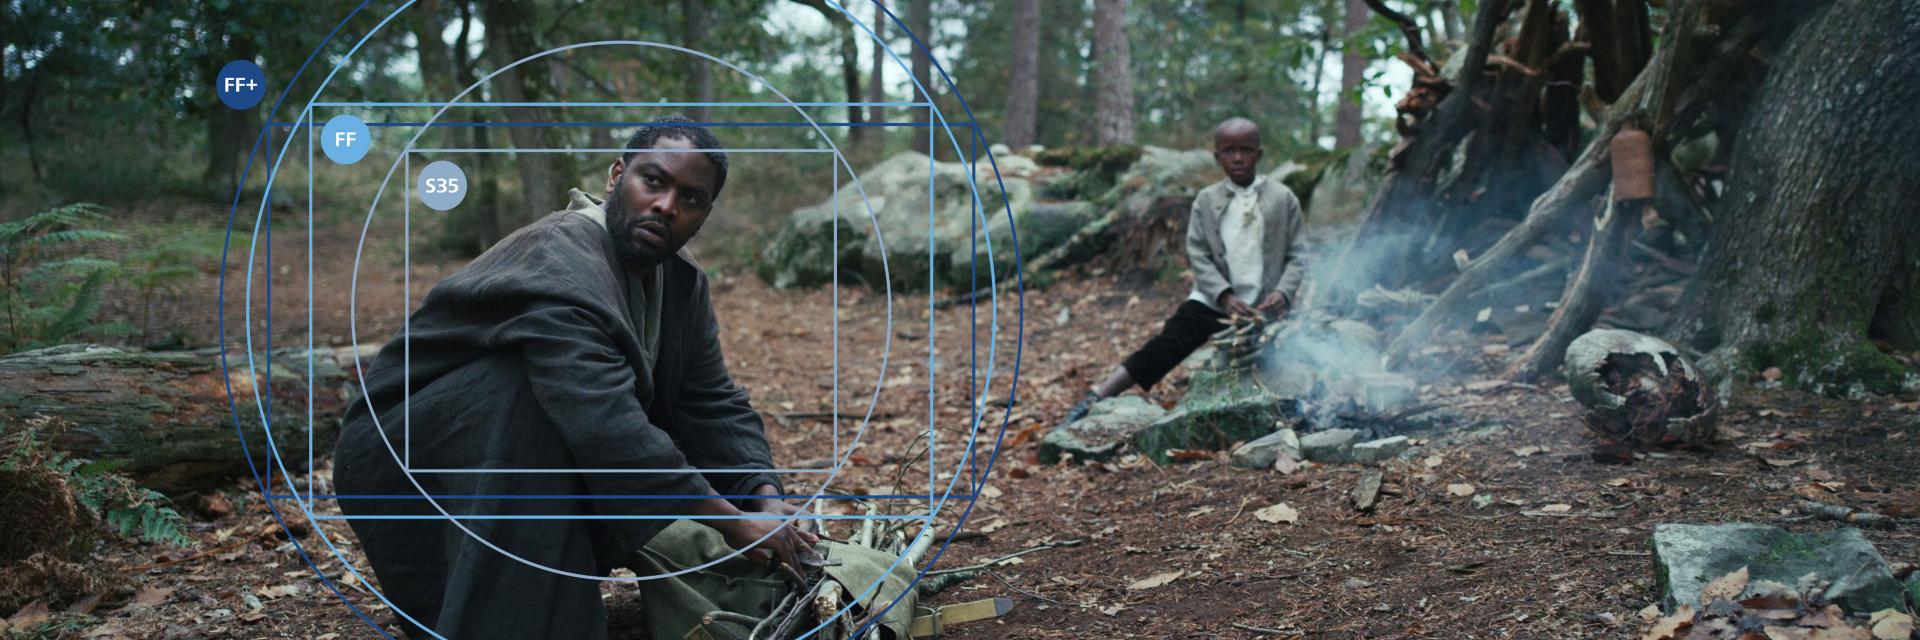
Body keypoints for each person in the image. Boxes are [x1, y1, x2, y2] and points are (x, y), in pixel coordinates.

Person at [332, 116, 818, 639]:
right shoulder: (558, 258)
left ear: (703, 214)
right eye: (652, 181)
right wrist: (737, 523)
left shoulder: (682, 281)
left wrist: (765, 499)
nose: (666, 205)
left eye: (691, 198)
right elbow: (605, 426)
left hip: (514, 452)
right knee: (529, 395)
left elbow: (712, 401)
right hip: (406, 457)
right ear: (616, 177)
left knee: (587, 416)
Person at [1066, 117, 1308, 422]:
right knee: (1168, 343)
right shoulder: (1207, 200)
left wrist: (1283, 294)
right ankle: (1097, 396)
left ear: (1258, 154)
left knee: (1285, 352)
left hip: (1263, 306)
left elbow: (1298, 255)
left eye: (1245, 150)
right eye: (1229, 150)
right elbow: (1198, 253)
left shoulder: (1282, 199)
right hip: (1214, 302)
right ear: (1217, 156)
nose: (1237, 157)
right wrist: (1223, 295)